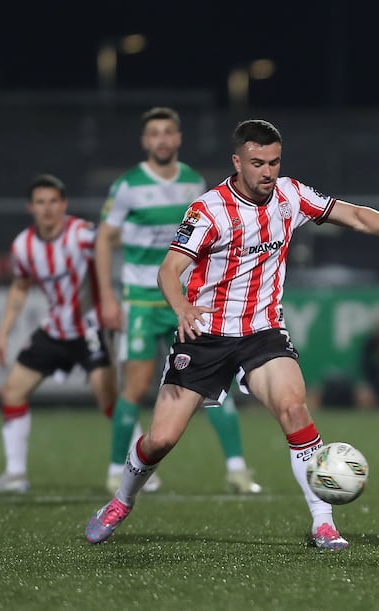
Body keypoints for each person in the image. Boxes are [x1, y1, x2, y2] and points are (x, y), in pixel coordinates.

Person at [85, 119, 379, 549]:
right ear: (237, 162)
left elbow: (351, 214)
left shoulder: (291, 195)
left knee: (294, 409)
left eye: (274, 162)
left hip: (263, 332)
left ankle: (323, 524)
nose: (267, 172)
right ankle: (121, 501)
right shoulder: (207, 209)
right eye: (257, 162)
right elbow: (169, 270)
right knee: (161, 438)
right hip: (205, 335)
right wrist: (183, 307)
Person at [95, 106, 261, 495]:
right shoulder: (128, 186)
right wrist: (106, 294)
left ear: (178, 138)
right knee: (134, 389)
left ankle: (237, 470)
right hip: (141, 300)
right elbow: (104, 237)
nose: (162, 140)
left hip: (188, 302)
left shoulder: (193, 183)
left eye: (168, 133)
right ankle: (115, 469)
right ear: (145, 141)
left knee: (213, 386)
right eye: (154, 134)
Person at [0, 174, 117, 494]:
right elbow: (20, 287)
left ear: (63, 204)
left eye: (53, 201)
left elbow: (110, 240)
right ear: (30, 207)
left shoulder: (82, 234)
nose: (47, 208)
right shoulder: (23, 245)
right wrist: (3, 334)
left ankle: (143, 468)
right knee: (11, 392)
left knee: (108, 398)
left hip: (90, 328)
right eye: (40, 202)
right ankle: (15, 475)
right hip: (54, 330)